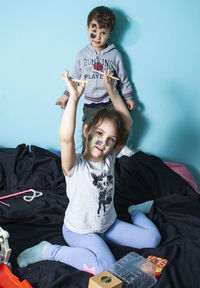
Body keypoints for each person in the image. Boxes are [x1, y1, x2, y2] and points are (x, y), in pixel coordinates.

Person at [17, 69, 161, 275]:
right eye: (99, 134)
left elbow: (127, 124)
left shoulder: (110, 157)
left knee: (153, 240)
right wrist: (74, 99)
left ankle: (134, 211)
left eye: (110, 139)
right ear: (87, 132)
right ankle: (49, 250)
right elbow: (66, 139)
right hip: (80, 232)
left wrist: (112, 92)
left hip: (108, 224)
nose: (103, 142)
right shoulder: (75, 165)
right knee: (106, 266)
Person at [56, 6, 136, 156]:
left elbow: (123, 79)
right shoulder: (81, 54)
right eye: (94, 31)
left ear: (110, 33)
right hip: (90, 104)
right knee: (90, 136)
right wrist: (65, 96)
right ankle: (88, 156)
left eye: (103, 33)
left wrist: (128, 97)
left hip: (109, 102)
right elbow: (74, 78)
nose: (97, 36)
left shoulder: (115, 55)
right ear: (87, 28)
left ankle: (118, 150)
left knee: (117, 127)